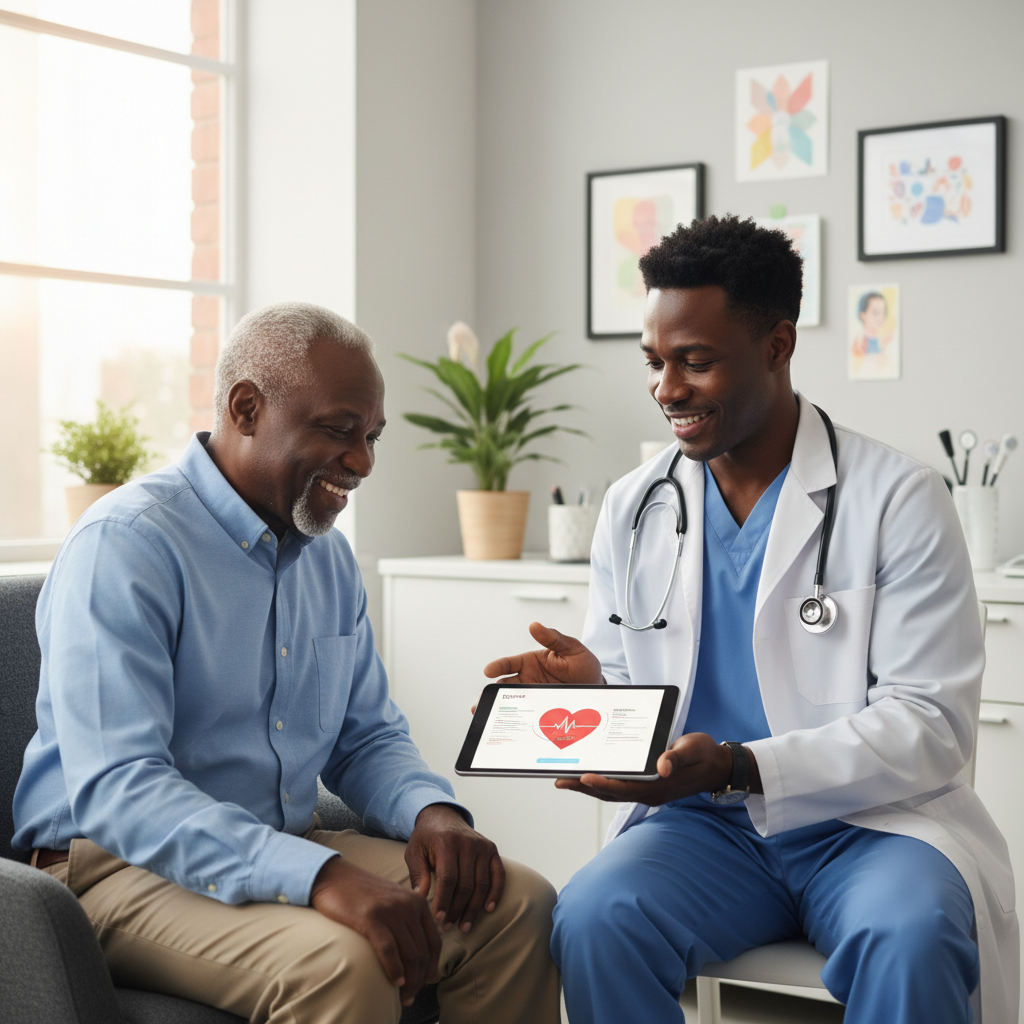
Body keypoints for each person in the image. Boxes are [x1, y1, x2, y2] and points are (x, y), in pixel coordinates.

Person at [484, 217, 1017, 1023]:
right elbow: (634, 674)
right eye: (655, 363)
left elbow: (931, 724)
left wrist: (742, 765)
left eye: (695, 361)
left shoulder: (899, 499)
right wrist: (596, 690)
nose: (667, 389)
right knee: (594, 920)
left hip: (872, 826)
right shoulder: (635, 505)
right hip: (705, 829)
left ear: (777, 346)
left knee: (913, 934)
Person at [13, 302, 560, 1024]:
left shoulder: (328, 560)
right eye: (340, 430)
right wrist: (320, 875)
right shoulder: (126, 545)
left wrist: (433, 812)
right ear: (246, 408)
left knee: (517, 904)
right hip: (115, 866)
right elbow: (121, 789)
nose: (362, 462)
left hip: (278, 840)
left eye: (371, 437)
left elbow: (366, 736)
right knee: (342, 967)